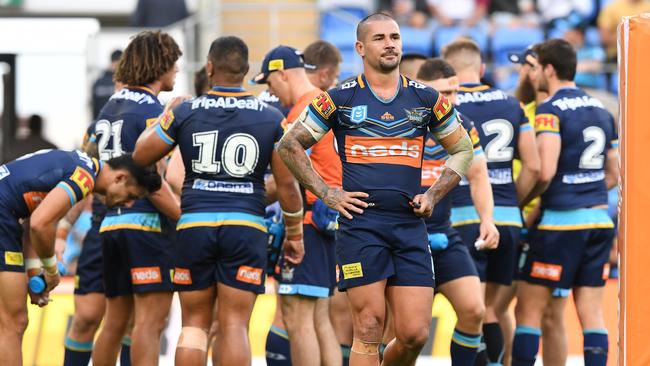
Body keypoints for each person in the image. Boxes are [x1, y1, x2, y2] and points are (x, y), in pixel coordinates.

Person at [277, 13, 474, 366]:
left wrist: (433, 194)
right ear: (360, 47)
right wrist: (327, 193)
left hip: (410, 225)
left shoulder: (426, 99)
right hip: (361, 227)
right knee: (368, 326)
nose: (390, 44)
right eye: (380, 38)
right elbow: (289, 145)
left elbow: (463, 149)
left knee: (414, 333)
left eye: (395, 37)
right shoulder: (337, 98)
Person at [132, 35, 305, 366]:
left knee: (194, 325)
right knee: (234, 325)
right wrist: (295, 235)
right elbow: (287, 184)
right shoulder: (270, 117)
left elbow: (140, 154)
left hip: (195, 223)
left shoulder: (185, 111)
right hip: (245, 226)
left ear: (210, 68)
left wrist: (165, 114)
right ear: (244, 71)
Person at [512, 38, 619, 366]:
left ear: (548, 69)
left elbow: (544, 171)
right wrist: (586, 190)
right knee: (592, 315)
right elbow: (615, 173)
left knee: (528, 312)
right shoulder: (601, 108)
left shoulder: (549, 110)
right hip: (599, 221)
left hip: (561, 224)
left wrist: (517, 203)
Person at [0, 150, 161, 366]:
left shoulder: (80, 162)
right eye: (131, 196)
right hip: (4, 217)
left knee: (9, 321)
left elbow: (30, 218)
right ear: (120, 177)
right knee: (13, 322)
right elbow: (40, 224)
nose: (129, 204)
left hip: (8, 217)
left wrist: (32, 273)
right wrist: (50, 269)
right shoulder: (85, 176)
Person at [442, 38, 540, 365]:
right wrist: (511, 200)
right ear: (481, 68)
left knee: (475, 312)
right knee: (495, 310)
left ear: (448, 73)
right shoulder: (513, 104)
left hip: (462, 217)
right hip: (509, 219)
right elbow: (536, 166)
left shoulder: (445, 107)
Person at [90, 30, 183, 366]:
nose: (176, 72)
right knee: (150, 322)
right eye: (173, 64)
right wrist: (182, 218)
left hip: (110, 225)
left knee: (114, 323)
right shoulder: (152, 112)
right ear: (159, 66)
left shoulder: (107, 108)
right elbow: (154, 179)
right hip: (146, 227)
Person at [253, 44, 342, 366]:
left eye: (269, 83)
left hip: (308, 221)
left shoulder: (300, 112)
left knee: (297, 318)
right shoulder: (324, 101)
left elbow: (287, 180)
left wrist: (246, 197)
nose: (271, 91)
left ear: (281, 73)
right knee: (319, 319)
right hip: (329, 220)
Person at [416, 57, 500, 365]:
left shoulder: (463, 125)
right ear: (424, 91)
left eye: (454, 92)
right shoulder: (401, 123)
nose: (450, 100)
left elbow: (478, 176)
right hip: (405, 238)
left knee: (474, 310)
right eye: (443, 93)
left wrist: (487, 221)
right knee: (407, 330)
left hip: (443, 234)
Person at [510, 45, 570, 366]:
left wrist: (528, 208)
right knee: (507, 308)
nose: (525, 72)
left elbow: (550, 172)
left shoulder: (556, 111)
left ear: (547, 69)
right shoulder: (516, 108)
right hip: (513, 216)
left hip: (543, 219)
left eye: (530, 65)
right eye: (523, 66)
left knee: (549, 315)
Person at [92, 50, 123, 119]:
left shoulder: (98, 82)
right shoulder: (123, 83)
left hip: (101, 123)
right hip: (117, 124)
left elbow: (94, 107)